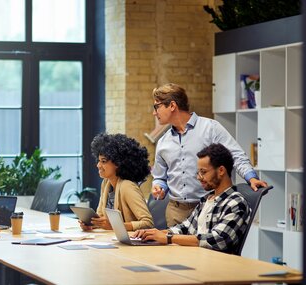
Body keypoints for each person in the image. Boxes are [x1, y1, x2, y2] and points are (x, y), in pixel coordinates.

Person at [150, 83, 267, 227]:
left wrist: (251, 177)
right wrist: (158, 186)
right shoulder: (163, 142)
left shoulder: (210, 128)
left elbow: (235, 155)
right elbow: (160, 177)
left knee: (208, 247)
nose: (154, 113)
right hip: (176, 212)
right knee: (175, 248)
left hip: (210, 207)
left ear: (172, 105)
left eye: (157, 107)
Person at [132, 143, 251, 254]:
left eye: (203, 172)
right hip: (196, 258)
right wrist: (153, 234)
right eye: (198, 172)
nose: (199, 178)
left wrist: (167, 238)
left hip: (216, 266)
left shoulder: (236, 202)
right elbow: (184, 227)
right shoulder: (206, 200)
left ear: (221, 170)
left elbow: (217, 240)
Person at [80, 133, 154, 231]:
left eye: (103, 161)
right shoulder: (106, 183)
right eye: (98, 161)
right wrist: (92, 224)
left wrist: (116, 226)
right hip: (112, 240)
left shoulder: (127, 187)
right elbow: (102, 218)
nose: (98, 165)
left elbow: (148, 223)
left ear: (118, 163)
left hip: (132, 243)